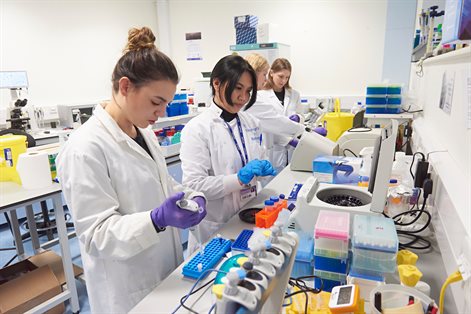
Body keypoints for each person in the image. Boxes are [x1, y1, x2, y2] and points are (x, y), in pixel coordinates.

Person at [57, 27, 207, 313]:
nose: (161, 112)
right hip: (127, 288)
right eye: (156, 102)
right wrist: (155, 220)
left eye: (166, 103)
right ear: (125, 87)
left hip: (165, 270)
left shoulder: (143, 132)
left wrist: (191, 195)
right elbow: (97, 235)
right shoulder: (84, 148)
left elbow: (162, 185)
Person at [180, 55, 277, 254]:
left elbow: (258, 158)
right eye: (238, 88)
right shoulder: (197, 129)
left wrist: (263, 166)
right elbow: (194, 185)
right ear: (217, 83)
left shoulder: (251, 123)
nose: (243, 97)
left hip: (249, 216)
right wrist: (238, 180)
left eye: (248, 91)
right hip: (216, 228)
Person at [244, 54, 304, 174]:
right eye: (264, 74)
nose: (266, 79)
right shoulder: (257, 97)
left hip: (286, 147)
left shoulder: (293, 94)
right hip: (271, 148)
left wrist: (299, 119)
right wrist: (306, 132)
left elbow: (280, 121)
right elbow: (276, 122)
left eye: (287, 77)